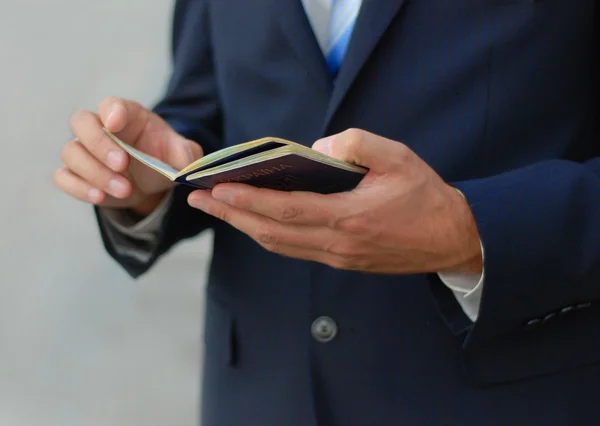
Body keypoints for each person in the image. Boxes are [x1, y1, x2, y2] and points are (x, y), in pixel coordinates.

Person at [54, 0, 600, 424]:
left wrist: (468, 230)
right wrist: (152, 176)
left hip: (509, 397)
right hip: (261, 398)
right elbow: (210, 105)